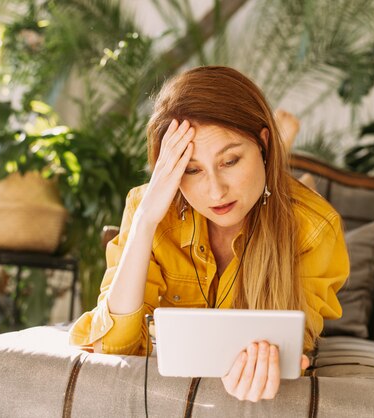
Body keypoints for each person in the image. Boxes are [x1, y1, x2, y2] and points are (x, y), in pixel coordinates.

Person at [69, 66, 349, 402]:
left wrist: (258, 369)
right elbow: (112, 347)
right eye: (192, 169)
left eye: (230, 161)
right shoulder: (148, 208)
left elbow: (288, 352)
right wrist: (144, 221)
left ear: (263, 143)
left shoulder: (314, 228)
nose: (215, 192)